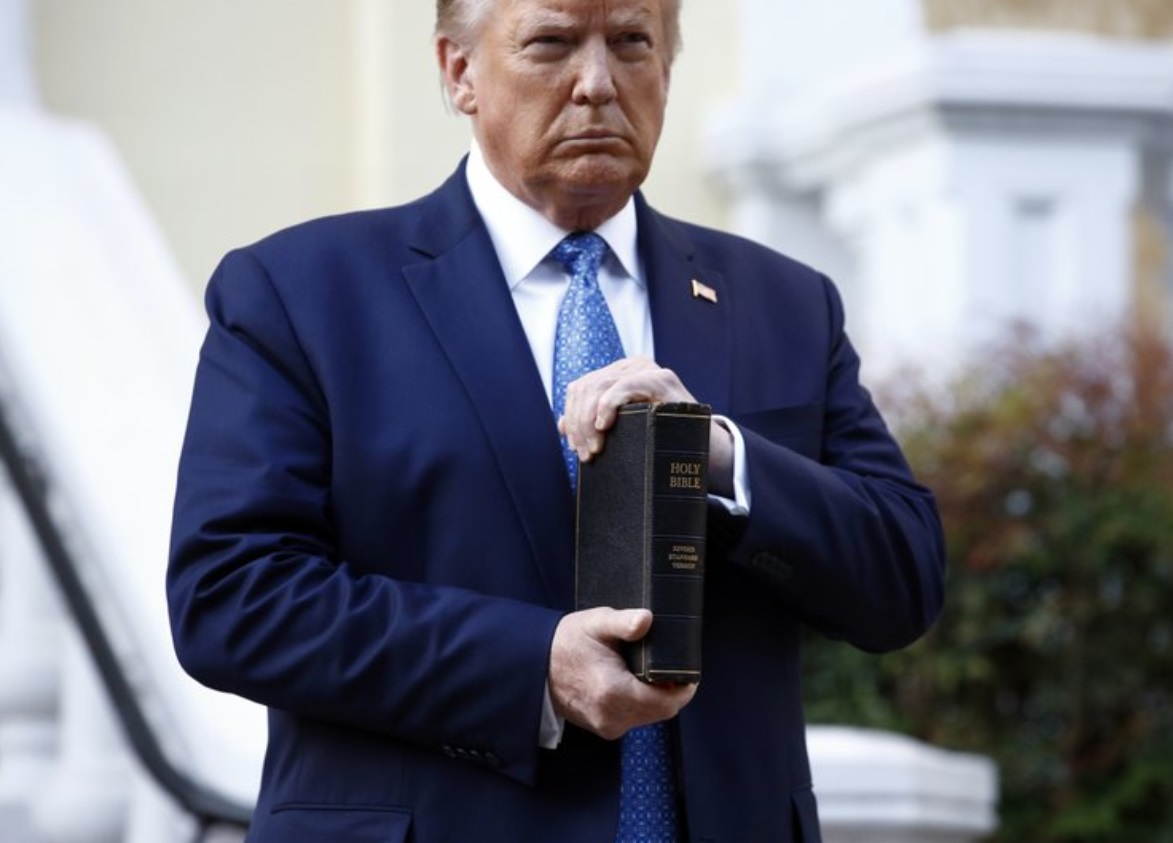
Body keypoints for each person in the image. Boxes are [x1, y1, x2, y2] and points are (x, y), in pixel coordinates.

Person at [166, 0, 946, 840]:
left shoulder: (783, 302)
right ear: (459, 71)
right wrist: (531, 664)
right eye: (552, 42)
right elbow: (232, 597)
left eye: (632, 42)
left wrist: (717, 454)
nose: (597, 83)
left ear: (667, 67)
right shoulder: (302, 292)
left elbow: (902, 576)